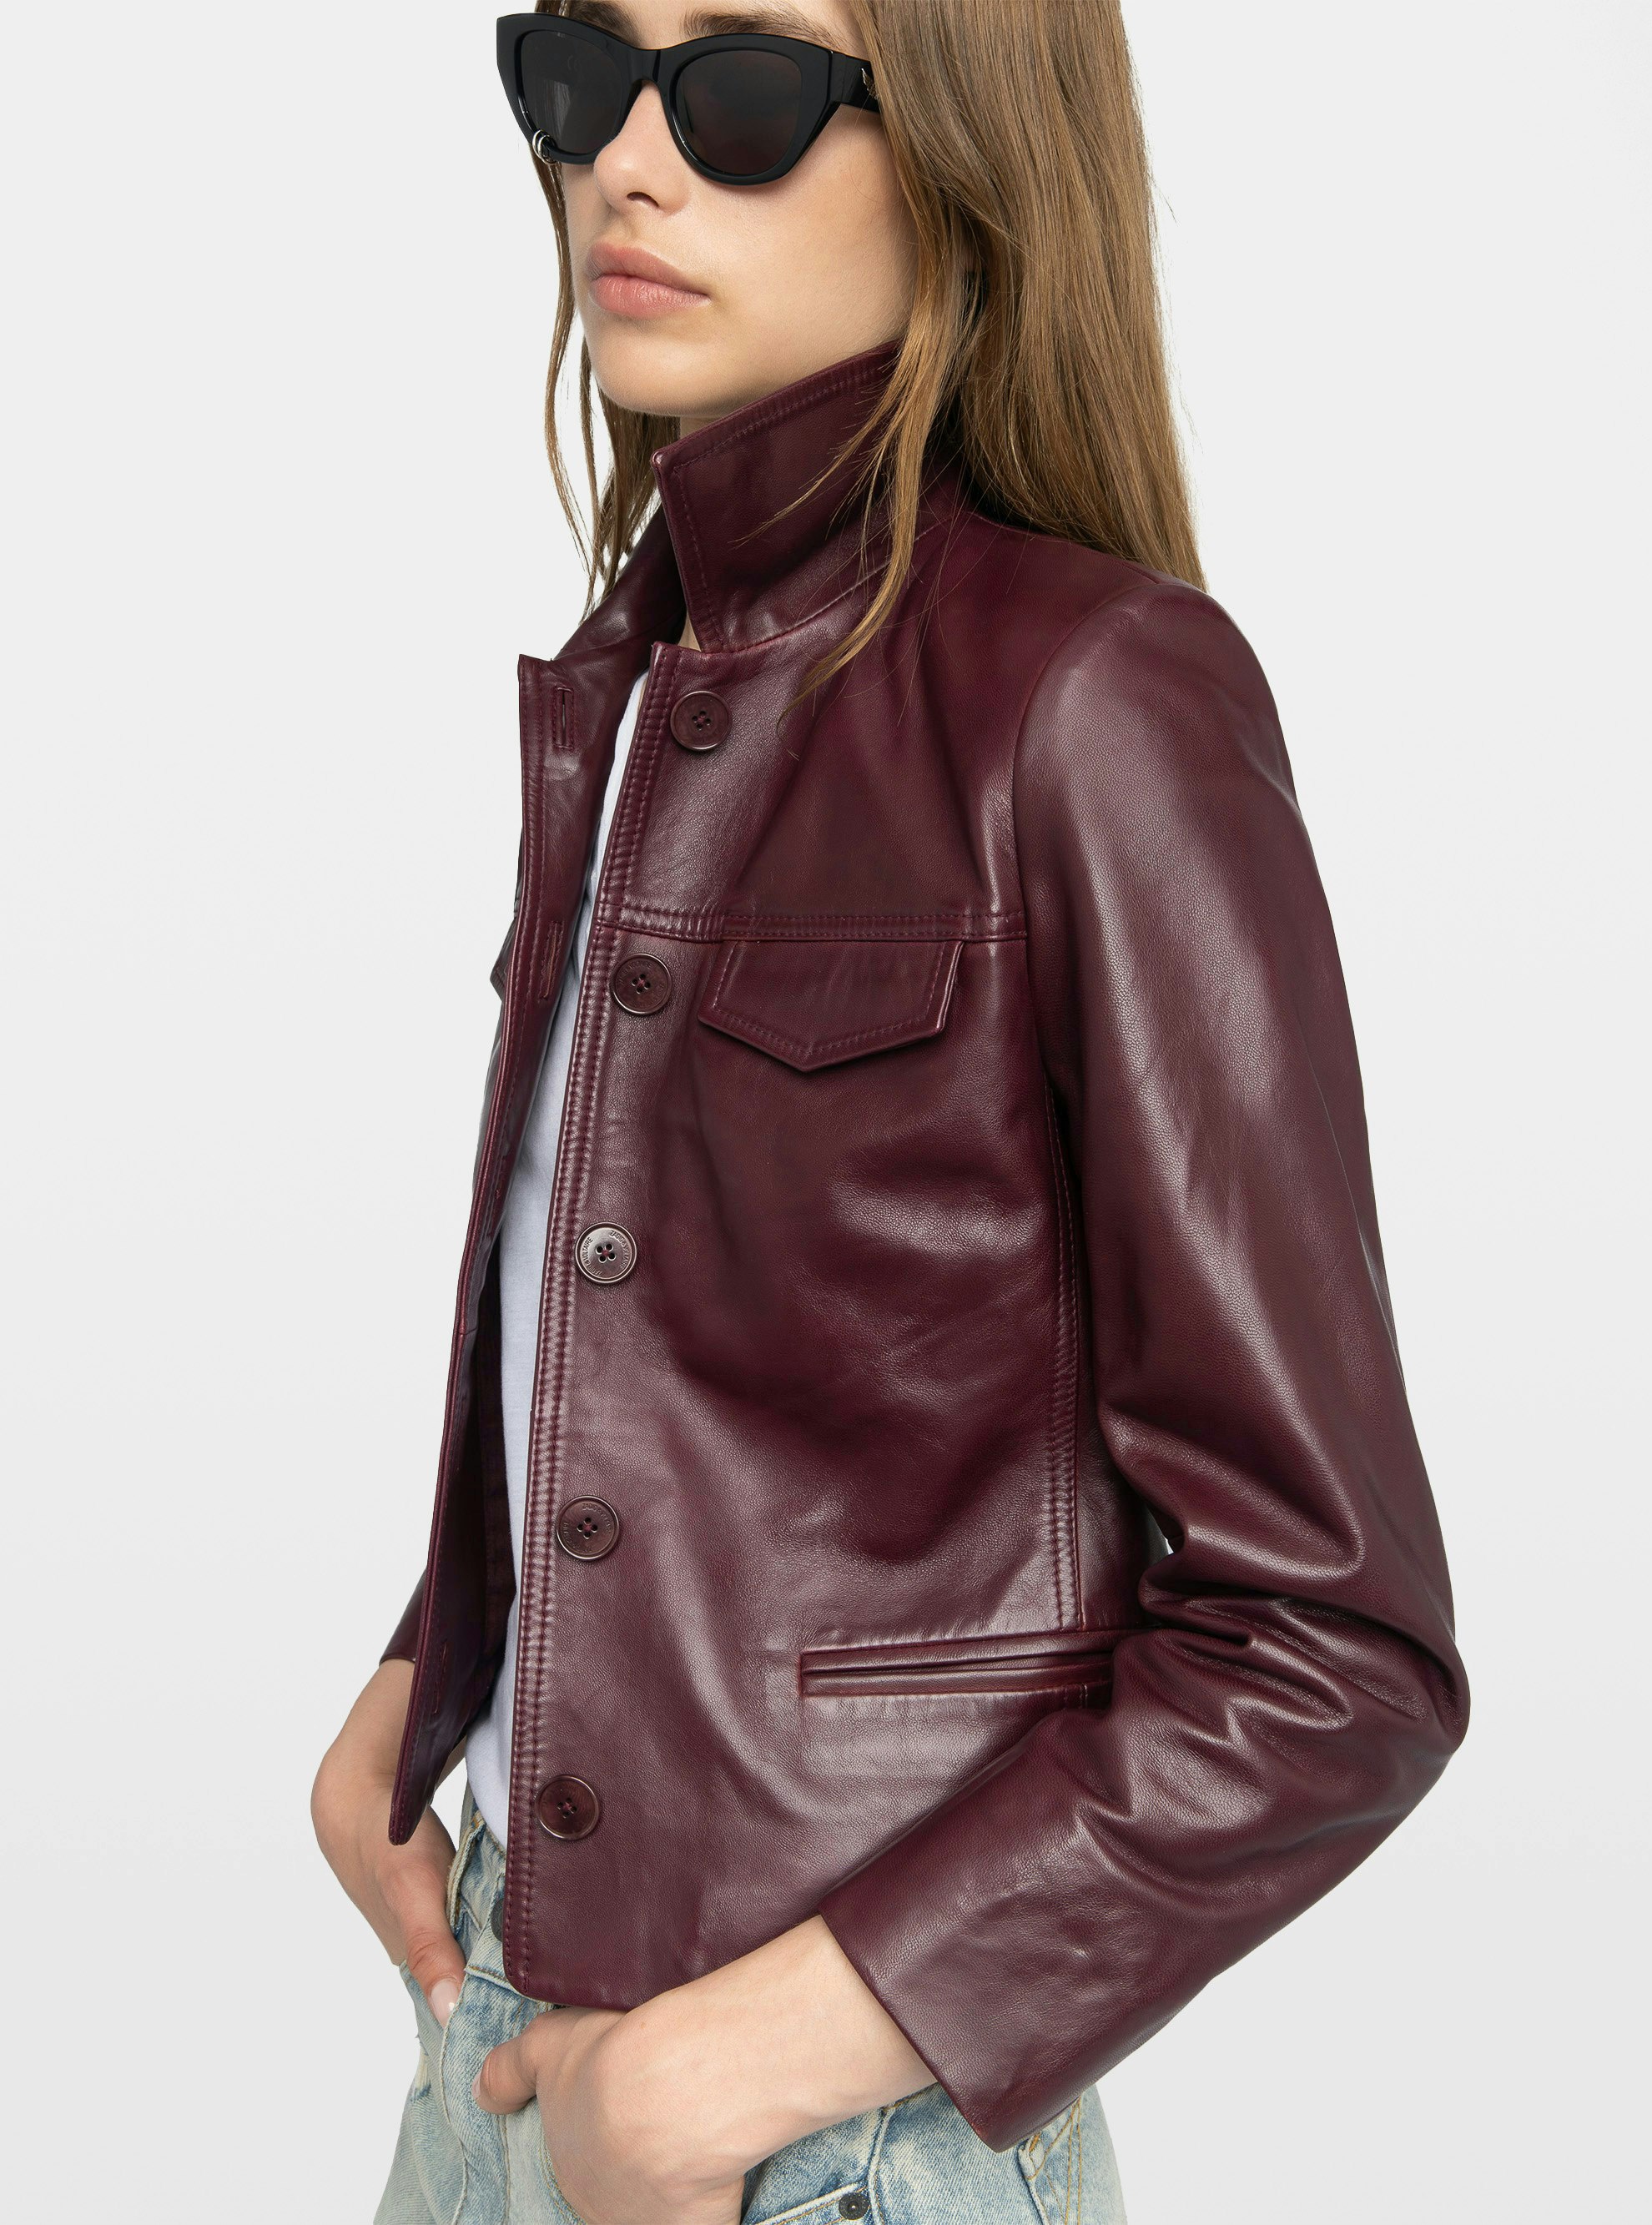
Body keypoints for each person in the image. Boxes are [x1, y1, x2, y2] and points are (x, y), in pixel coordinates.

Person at [312, 4, 1470, 2221]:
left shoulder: (1097, 699)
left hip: (833, 2137)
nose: (629, 161)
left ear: (964, 155)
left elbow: (1338, 1648)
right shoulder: (645, 685)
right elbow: (773, 1377)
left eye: (741, 90)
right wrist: (442, 1650)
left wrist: (729, 2072)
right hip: (509, 2057)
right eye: (581, 73)